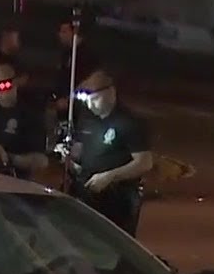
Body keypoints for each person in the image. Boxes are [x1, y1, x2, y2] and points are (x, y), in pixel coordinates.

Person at [66, 70, 153, 236]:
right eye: (87, 101)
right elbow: (80, 152)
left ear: (111, 93)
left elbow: (144, 162)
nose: (91, 106)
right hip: (86, 193)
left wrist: (109, 176)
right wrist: (70, 157)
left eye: (95, 100)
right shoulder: (87, 119)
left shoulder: (129, 122)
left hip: (117, 197)